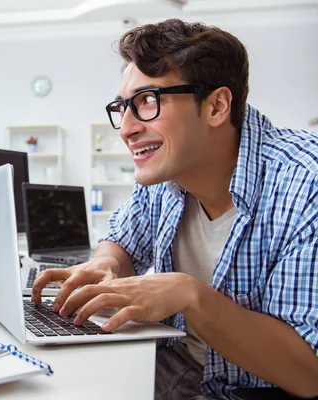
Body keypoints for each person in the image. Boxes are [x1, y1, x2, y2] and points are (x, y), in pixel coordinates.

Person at [31, 18, 318, 399]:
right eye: (123, 106)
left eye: (147, 101)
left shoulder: (305, 184)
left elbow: (308, 374)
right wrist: (108, 264)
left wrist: (191, 296)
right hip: (173, 363)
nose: (126, 128)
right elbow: (121, 241)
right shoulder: (167, 174)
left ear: (216, 106)